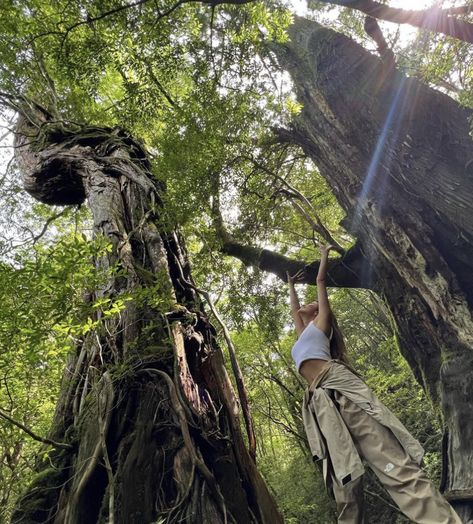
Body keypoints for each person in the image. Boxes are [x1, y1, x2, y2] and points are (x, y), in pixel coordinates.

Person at [287, 244, 462, 524]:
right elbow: (294, 309)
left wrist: (323, 253)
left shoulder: (322, 325)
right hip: (320, 403)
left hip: (339, 388)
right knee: (344, 480)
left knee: (389, 458)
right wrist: (290, 284)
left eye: (313, 303)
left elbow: (320, 281)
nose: (307, 304)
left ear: (321, 312)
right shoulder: (302, 334)